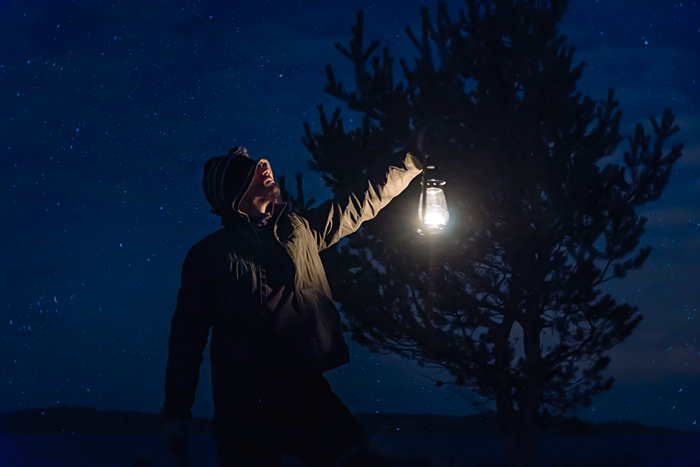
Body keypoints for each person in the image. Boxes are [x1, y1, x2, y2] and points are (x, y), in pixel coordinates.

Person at [161, 146, 423, 466]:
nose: (264, 169)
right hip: (243, 404)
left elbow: (358, 202)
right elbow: (186, 341)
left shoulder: (299, 231)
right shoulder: (208, 256)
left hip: (303, 391)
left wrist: (412, 161)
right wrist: (176, 414)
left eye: (261, 165)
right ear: (235, 192)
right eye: (251, 170)